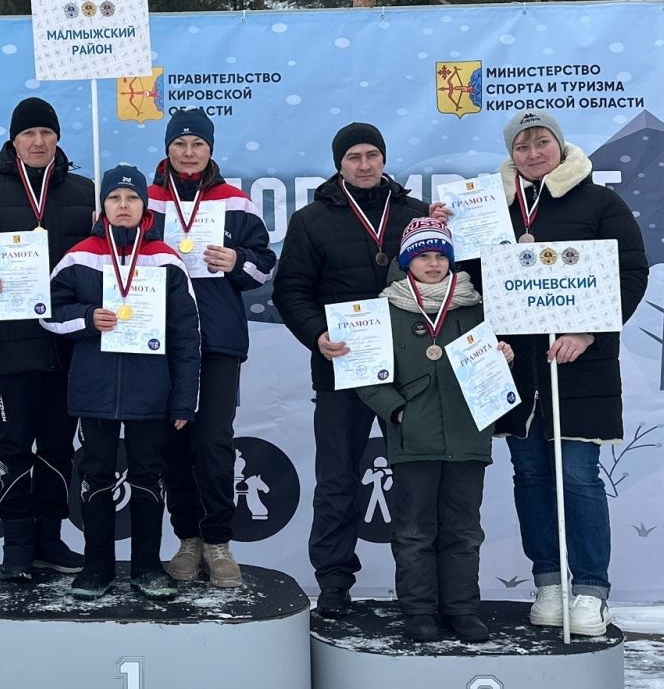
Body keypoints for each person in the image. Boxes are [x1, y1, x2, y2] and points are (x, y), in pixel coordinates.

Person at [495, 110, 648, 637]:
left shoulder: (600, 202)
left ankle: (589, 590)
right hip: (517, 369)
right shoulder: (496, 207)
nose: (533, 153)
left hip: (579, 367)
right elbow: (465, 273)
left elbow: (631, 272)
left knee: (578, 477)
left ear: (560, 147)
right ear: (510, 154)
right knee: (530, 475)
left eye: (542, 143)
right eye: (522, 146)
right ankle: (547, 582)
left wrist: (588, 330)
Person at [272, 121, 432, 616]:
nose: (364, 165)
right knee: (338, 478)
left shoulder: (416, 213)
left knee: (414, 477)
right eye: (353, 158)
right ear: (339, 164)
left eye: (371, 155)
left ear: (384, 158)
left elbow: (447, 278)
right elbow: (290, 291)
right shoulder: (311, 220)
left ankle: (419, 587)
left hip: (412, 370)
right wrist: (317, 336)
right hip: (342, 368)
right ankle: (335, 582)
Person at [0, 97, 98, 581]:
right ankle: (16, 545)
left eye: (46, 133)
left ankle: (50, 540)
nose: (38, 141)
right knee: (14, 443)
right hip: (13, 344)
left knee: (58, 445)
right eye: (28, 133)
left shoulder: (84, 191)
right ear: (13, 141)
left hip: (70, 345)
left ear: (58, 138)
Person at [44, 165, 202, 598]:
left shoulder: (166, 258)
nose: (123, 206)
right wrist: (86, 318)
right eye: (115, 198)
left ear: (144, 207)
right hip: (94, 392)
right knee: (95, 475)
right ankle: (97, 566)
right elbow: (48, 312)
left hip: (150, 391)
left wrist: (184, 401)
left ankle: (148, 567)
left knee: (149, 475)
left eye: (131, 199)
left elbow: (187, 335)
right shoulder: (80, 256)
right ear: (104, 207)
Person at [357, 216, 514, 644]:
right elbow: (368, 376)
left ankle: (462, 610)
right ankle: (419, 611)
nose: (432, 263)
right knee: (414, 532)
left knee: (463, 530)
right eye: (422, 255)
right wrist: (398, 413)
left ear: (451, 261)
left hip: (467, 437)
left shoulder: (477, 306)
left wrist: (502, 354)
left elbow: (493, 363)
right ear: (408, 261)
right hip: (413, 439)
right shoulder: (384, 310)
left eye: (439, 255)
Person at [148, 109, 277, 590]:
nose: (187, 153)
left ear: (210, 150)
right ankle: (187, 540)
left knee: (214, 442)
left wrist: (237, 260)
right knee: (173, 445)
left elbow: (265, 268)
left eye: (197, 145)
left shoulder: (235, 202)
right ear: (167, 149)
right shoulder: (146, 200)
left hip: (219, 341)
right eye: (179, 144)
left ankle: (218, 541)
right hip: (158, 340)